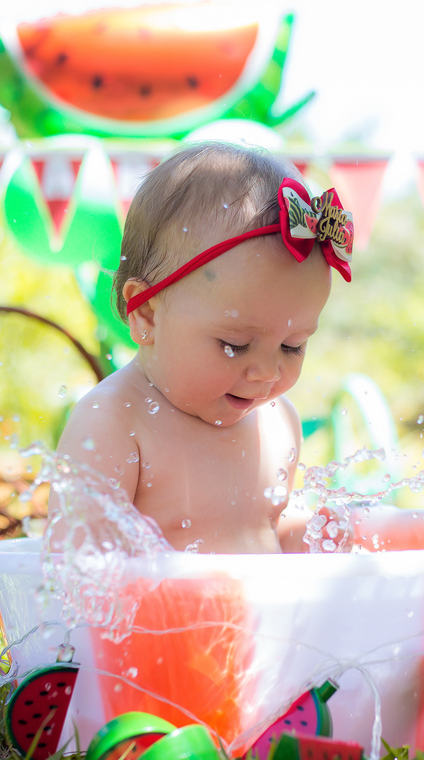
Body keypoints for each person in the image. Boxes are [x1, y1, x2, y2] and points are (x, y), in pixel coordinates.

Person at [56, 142, 354, 554]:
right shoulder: (115, 422)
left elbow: (264, 529)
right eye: (235, 345)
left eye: (292, 345)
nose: (267, 373)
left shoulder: (277, 420)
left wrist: (319, 535)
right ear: (147, 315)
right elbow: (78, 567)